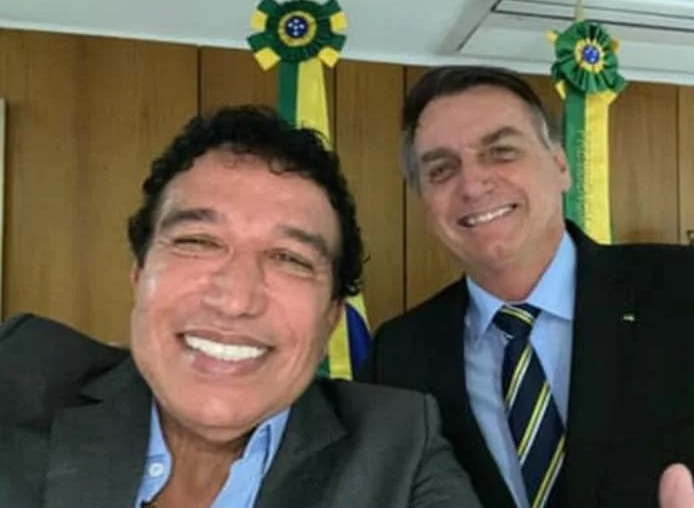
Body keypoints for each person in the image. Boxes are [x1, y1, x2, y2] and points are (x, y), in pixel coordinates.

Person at [0, 105, 484, 508]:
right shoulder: (20, 372)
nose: (235, 299)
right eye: (197, 241)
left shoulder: (398, 447)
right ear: (139, 274)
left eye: (290, 258)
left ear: (331, 317)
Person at [358, 65, 694, 508]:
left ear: (560, 165)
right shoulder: (399, 355)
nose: (472, 185)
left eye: (501, 151)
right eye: (441, 169)